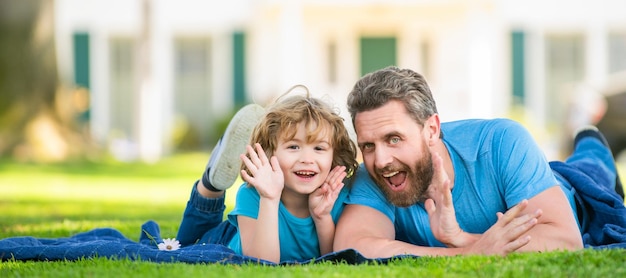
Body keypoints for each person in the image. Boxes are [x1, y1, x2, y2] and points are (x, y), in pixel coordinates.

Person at [334, 66, 625, 257]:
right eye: (368, 145)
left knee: (591, 167)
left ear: (432, 129)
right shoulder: (374, 174)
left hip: (571, 187)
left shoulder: (500, 142)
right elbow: (354, 247)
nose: (381, 159)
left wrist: (462, 237)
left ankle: (592, 144)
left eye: (394, 139)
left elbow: (564, 240)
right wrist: (464, 249)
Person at [176, 86, 359, 263]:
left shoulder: (335, 196)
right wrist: (269, 199)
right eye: (293, 147)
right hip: (222, 241)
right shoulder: (252, 194)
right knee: (184, 245)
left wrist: (322, 217)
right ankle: (210, 185)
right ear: (269, 153)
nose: (307, 159)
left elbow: (332, 260)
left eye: (319, 148)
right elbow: (262, 261)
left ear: (334, 155)